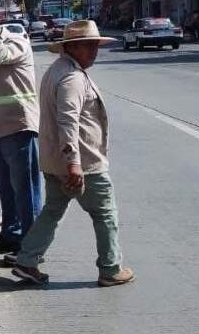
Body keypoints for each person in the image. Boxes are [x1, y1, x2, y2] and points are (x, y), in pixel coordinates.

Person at [12, 20, 135, 287]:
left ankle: (27, 260)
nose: (94, 52)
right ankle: (110, 268)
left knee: (53, 209)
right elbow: (69, 123)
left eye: (95, 46)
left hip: (57, 161)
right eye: (88, 46)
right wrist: (74, 164)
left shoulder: (60, 70)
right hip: (83, 163)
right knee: (105, 213)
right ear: (72, 47)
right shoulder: (71, 78)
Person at [0, 0, 42, 260]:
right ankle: (12, 235)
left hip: (18, 127)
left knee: (25, 190)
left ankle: (31, 247)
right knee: (7, 189)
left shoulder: (16, 42)